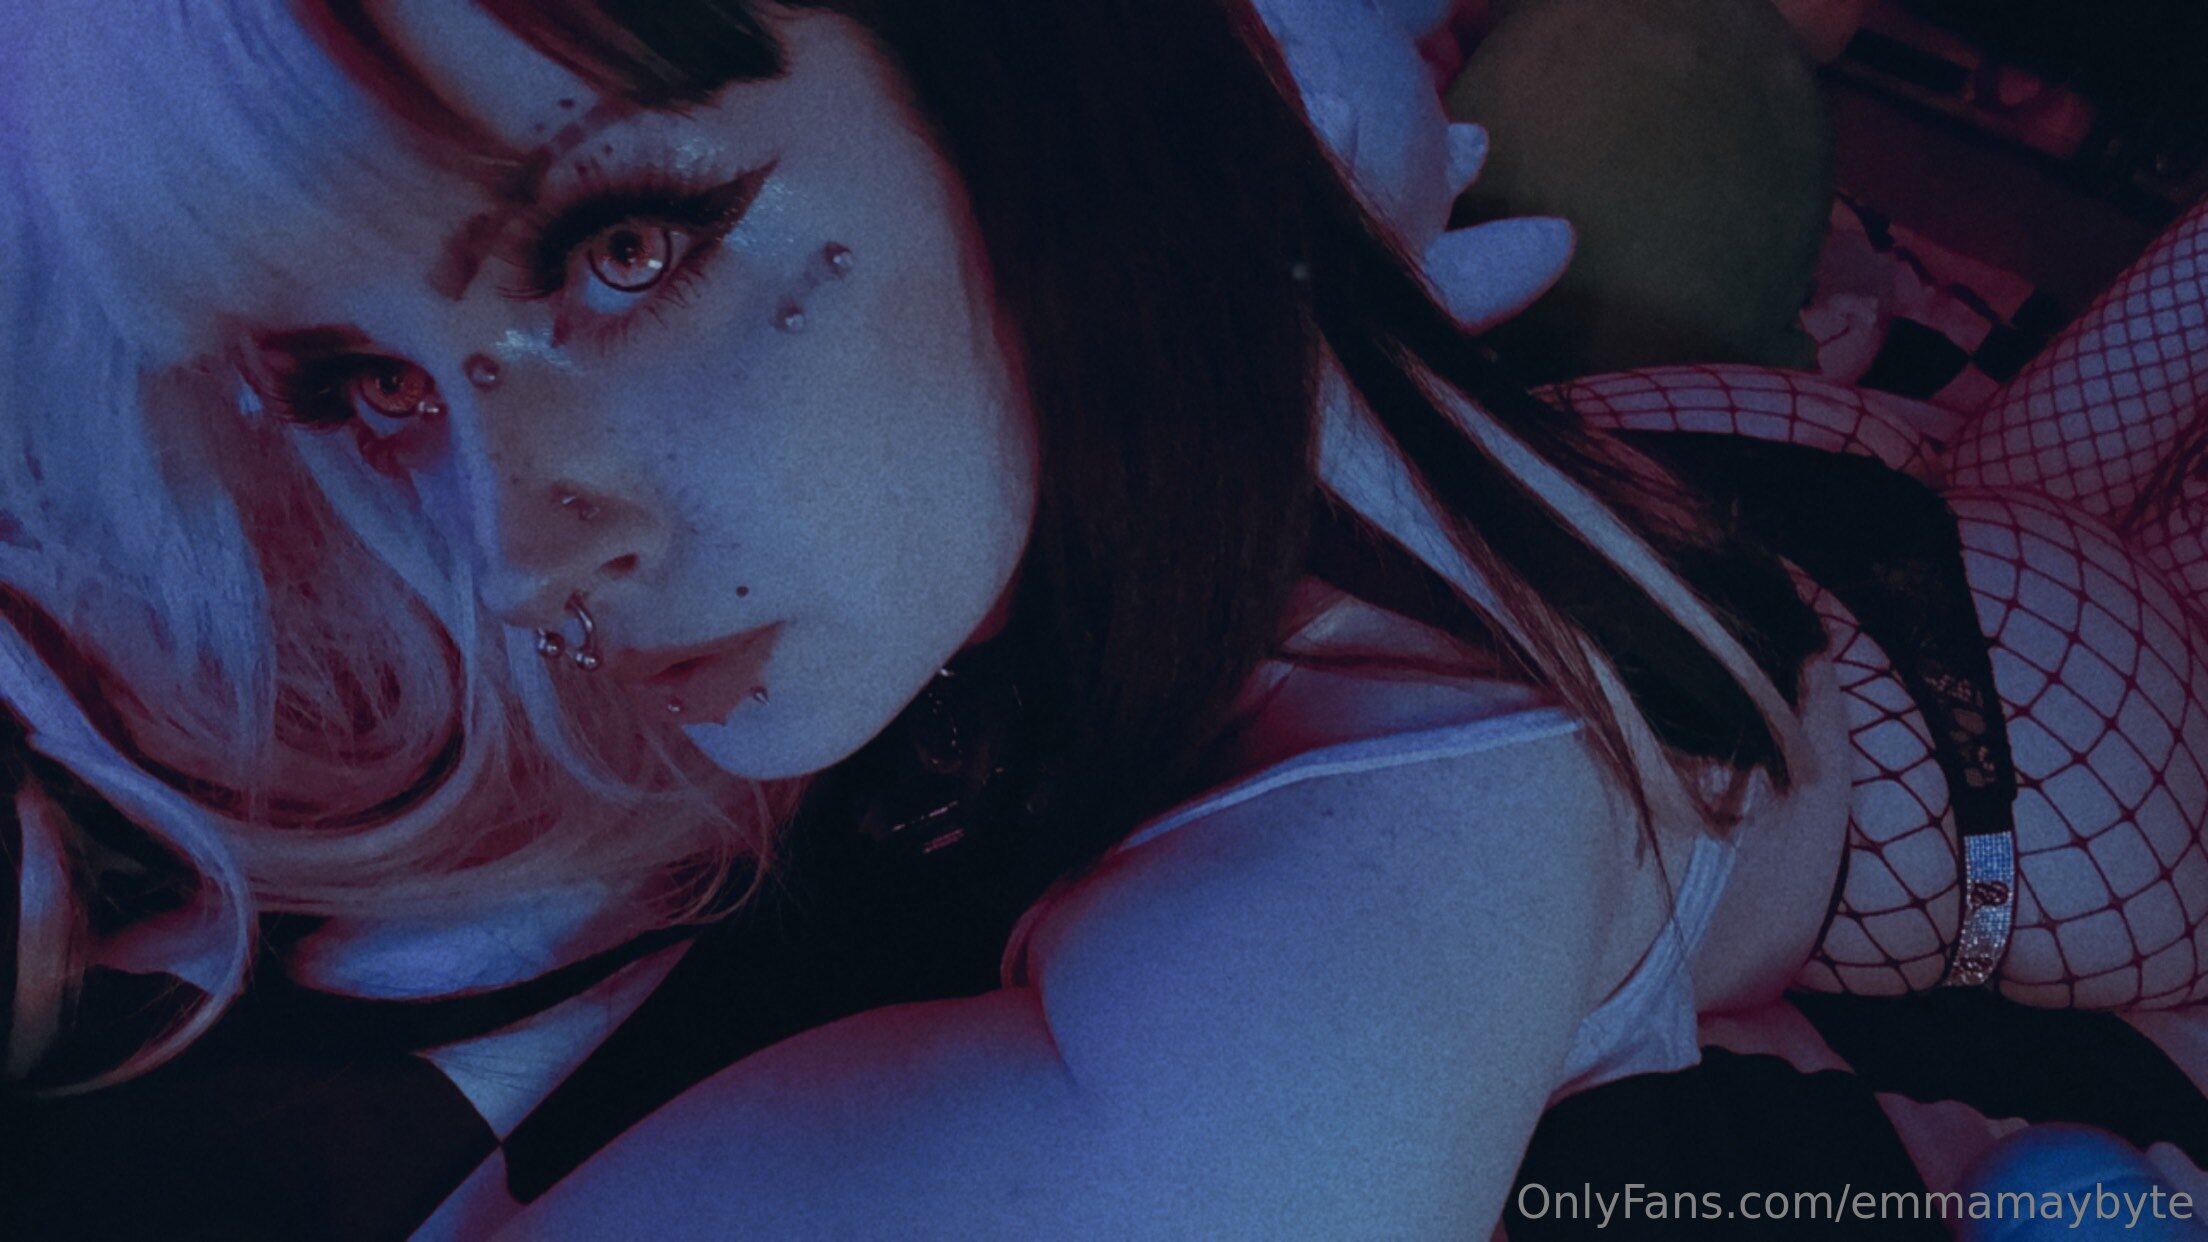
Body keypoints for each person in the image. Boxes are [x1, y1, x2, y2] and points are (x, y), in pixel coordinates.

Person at [0, 1, 2202, 1236]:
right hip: (1718, 469)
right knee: (2059, 414)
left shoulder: (1368, 914)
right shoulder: (1180, 299)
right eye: (363, 380)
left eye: (624, 246)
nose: (508, 552)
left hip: (2039, 766)